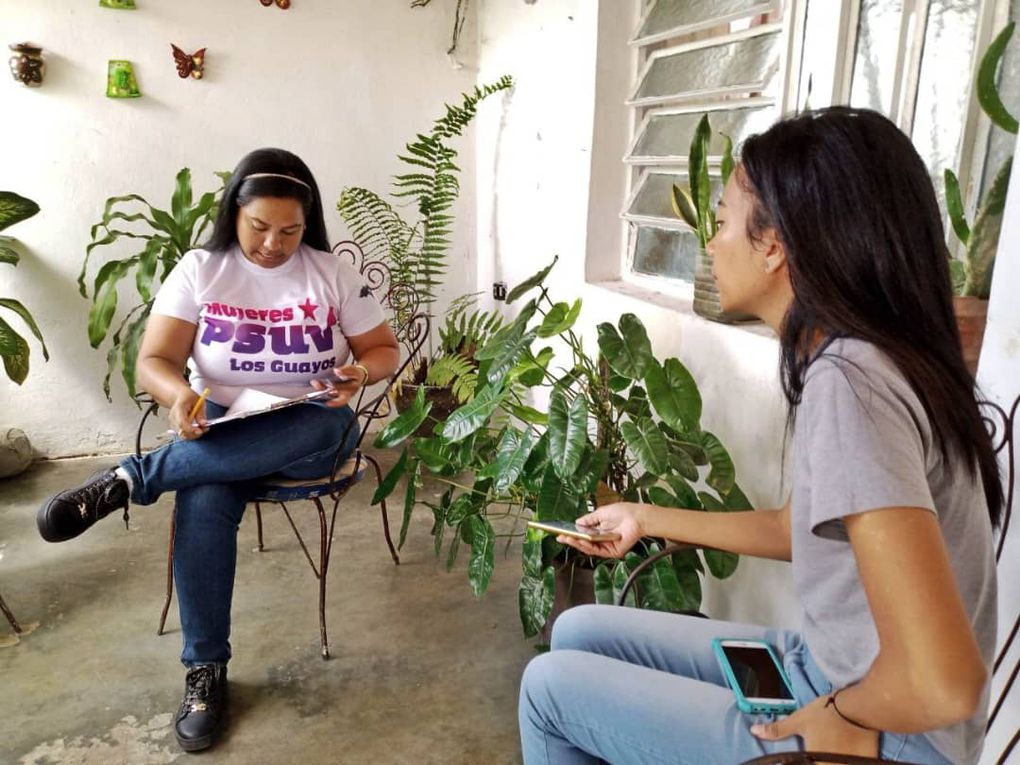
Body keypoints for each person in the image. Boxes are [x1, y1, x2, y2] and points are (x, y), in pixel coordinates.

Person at [518, 108, 1001, 765]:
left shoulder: (851, 383)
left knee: (548, 688)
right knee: (576, 627)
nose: (710, 244)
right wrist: (643, 515)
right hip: (823, 668)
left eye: (720, 223)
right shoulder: (870, 358)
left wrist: (837, 713)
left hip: (886, 731)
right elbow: (794, 527)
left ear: (774, 245)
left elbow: (945, 681)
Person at [36, 148, 400, 752]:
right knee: (203, 497)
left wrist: (358, 374)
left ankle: (132, 480)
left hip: (312, 425)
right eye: (260, 227)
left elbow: (382, 349)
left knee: (316, 425)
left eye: (290, 230)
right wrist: (180, 396)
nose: (273, 244)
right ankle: (205, 672)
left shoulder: (329, 272)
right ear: (234, 212)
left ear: (307, 225)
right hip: (223, 428)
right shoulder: (202, 269)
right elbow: (155, 361)